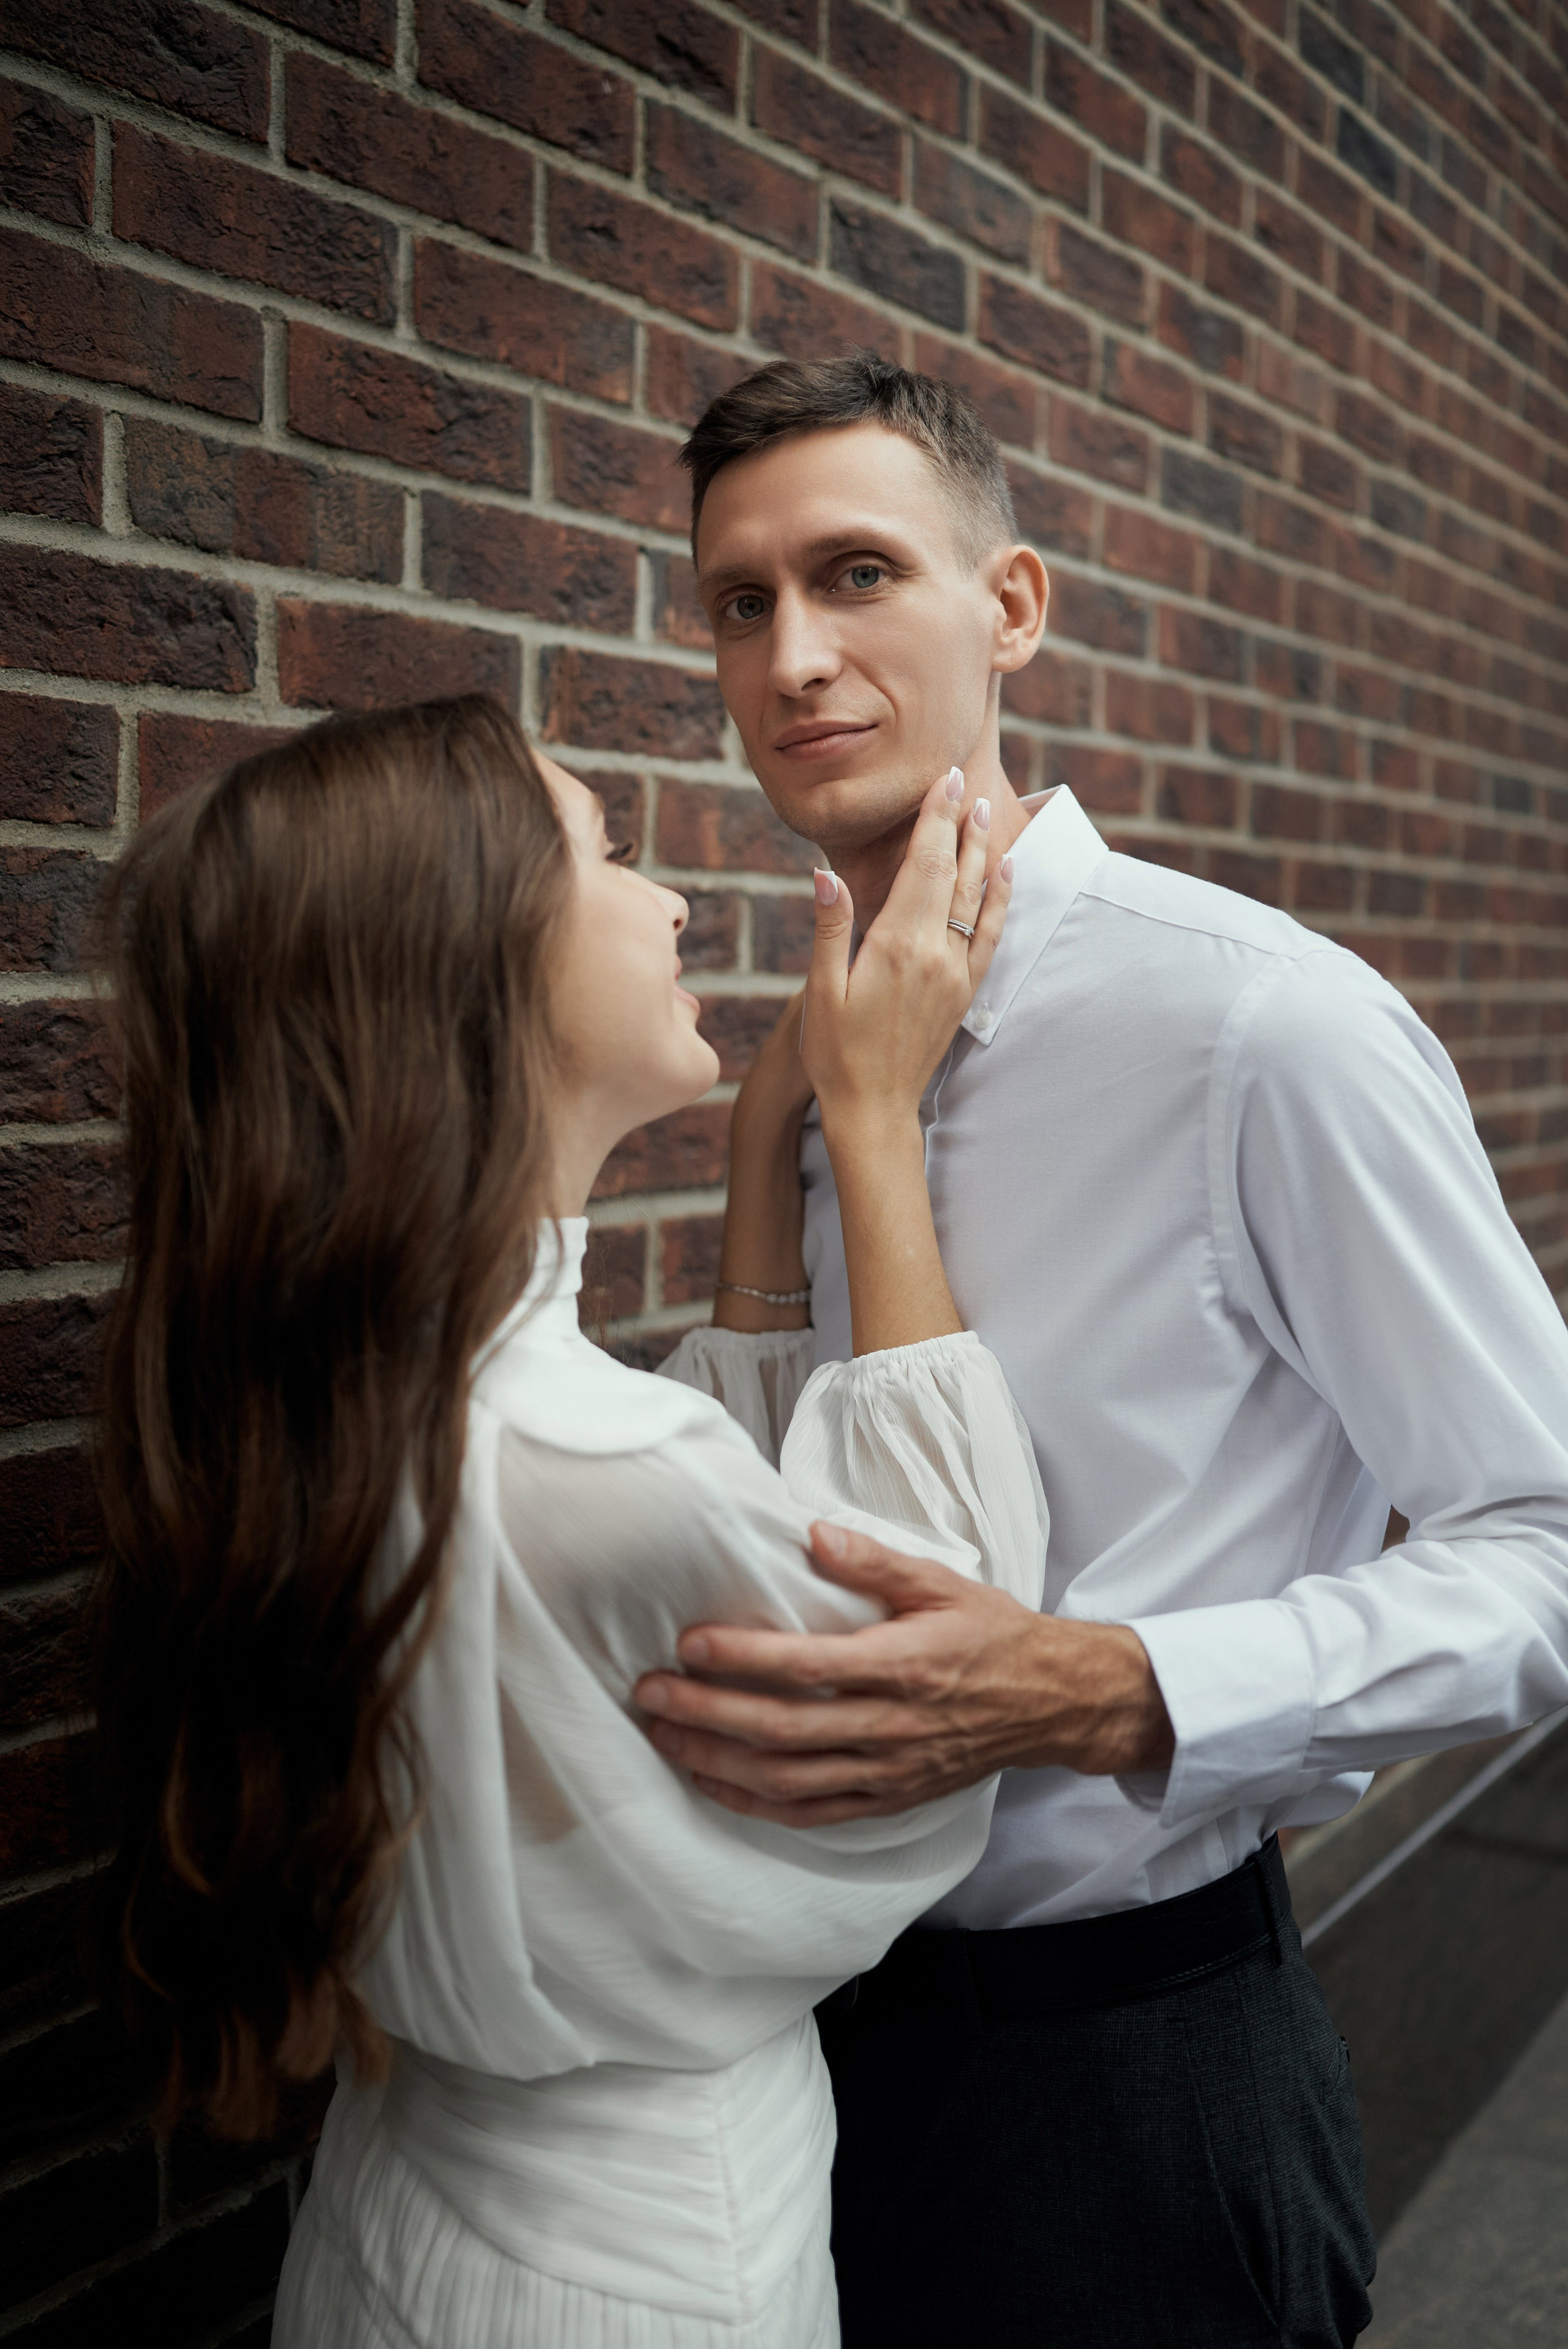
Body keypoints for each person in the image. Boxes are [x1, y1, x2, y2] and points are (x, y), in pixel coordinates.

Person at [632, 355, 1568, 2349]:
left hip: (1134, 2077)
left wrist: (1108, 1685)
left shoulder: (1259, 1027)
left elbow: (1548, 1549)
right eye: (739, 601)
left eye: (859, 573)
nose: (793, 657)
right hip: (801, 2060)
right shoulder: (816, 1047)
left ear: (1014, 608)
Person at [92, 692, 1050, 2349]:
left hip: (409, 2210)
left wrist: (767, 1155)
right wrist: (875, 1122)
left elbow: (686, 1529)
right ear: (469, 965)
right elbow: (941, 1681)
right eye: (606, 852)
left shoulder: (355, 1387)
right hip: (643, 2273)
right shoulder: (580, 1456)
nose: (669, 897)